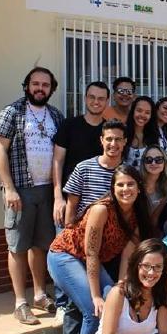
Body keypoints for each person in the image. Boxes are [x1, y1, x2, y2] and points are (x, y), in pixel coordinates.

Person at [45, 165, 153, 334]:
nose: (125, 189)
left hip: (90, 262)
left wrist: (121, 287)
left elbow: (127, 254)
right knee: (94, 309)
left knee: (113, 301)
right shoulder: (101, 209)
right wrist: (95, 296)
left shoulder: (137, 214)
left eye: (130, 184)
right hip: (65, 255)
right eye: (119, 185)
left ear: (139, 188)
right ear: (112, 188)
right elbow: (91, 254)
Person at [0, 66, 64, 325]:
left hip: (47, 190)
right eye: (36, 84)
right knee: (17, 246)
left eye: (45, 85)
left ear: (51, 89)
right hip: (20, 190)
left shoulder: (56, 115)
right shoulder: (11, 112)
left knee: (41, 245)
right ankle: (20, 302)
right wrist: (8, 187)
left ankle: (39, 294)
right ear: (27, 86)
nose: (40, 88)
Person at [52, 80, 108, 228]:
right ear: (85, 98)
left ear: (107, 101)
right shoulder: (69, 125)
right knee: (66, 247)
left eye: (101, 98)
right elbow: (57, 161)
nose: (96, 102)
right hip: (69, 201)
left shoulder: (109, 131)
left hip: (100, 203)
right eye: (92, 97)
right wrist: (58, 197)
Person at [62, 120, 127, 226]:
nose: (113, 144)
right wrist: (69, 234)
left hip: (116, 231)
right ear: (102, 140)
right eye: (109, 139)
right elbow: (71, 206)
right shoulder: (83, 168)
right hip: (84, 229)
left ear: (125, 141)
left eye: (118, 139)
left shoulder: (129, 172)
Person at [140, 146, 167, 233]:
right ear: (143, 163)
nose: (153, 163)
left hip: (145, 230)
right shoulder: (135, 181)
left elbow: (154, 220)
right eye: (149, 160)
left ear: (165, 163)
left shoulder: (164, 191)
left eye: (158, 160)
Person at [123, 96, 158, 170]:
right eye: (139, 110)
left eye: (147, 112)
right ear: (133, 111)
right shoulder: (122, 133)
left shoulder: (155, 136)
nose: (142, 115)